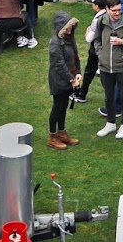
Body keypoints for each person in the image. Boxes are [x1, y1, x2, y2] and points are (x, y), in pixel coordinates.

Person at [95, 0, 123, 139]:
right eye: (114, 11)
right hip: (105, 66)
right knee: (108, 97)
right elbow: (96, 40)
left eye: (119, 10)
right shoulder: (101, 21)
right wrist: (100, 53)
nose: (117, 13)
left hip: (122, 66)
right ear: (107, 9)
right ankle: (110, 123)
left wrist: (122, 42)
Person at [46, 10, 83, 149]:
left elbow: (75, 57)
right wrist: (72, 80)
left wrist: (78, 72)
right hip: (59, 80)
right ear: (60, 26)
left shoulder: (69, 37)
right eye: (68, 25)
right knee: (57, 107)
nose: (71, 28)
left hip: (69, 79)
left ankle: (62, 133)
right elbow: (59, 64)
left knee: (64, 107)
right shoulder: (55, 43)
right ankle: (52, 137)